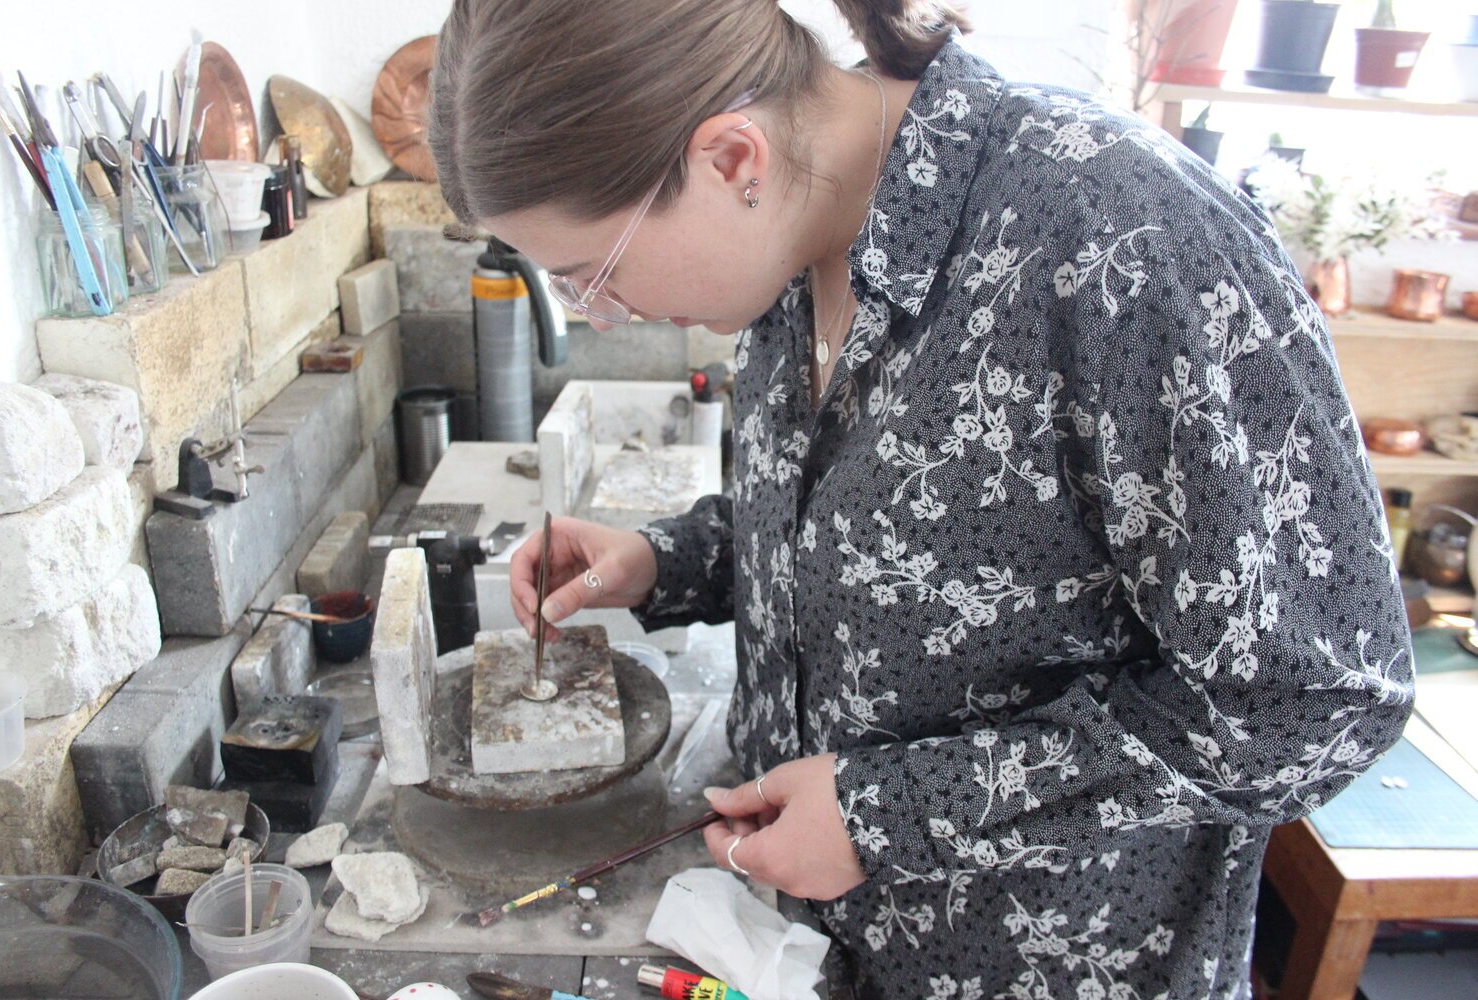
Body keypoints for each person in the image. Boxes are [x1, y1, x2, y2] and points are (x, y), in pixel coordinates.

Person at [428, 2, 1415, 997]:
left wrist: (889, 810)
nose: (601, 317)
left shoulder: (1126, 237)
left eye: (593, 274)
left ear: (732, 159)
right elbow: (912, 544)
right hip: (816, 954)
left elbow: (1316, 699)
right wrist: (672, 560)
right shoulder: (784, 243)